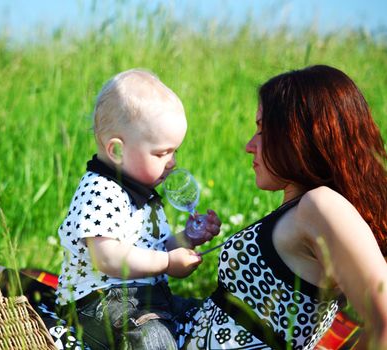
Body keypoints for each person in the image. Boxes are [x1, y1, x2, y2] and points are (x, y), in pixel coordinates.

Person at [179, 65, 387, 349]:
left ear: (299, 136)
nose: (249, 146)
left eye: (262, 131)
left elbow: (385, 323)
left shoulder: (321, 205)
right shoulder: (300, 207)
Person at [55, 68, 222, 349]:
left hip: (148, 299)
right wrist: (168, 263)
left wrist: (187, 239)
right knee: (153, 339)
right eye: (161, 153)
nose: (172, 162)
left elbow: (157, 245)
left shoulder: (145, 193)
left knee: (207, 316)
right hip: (97, 302)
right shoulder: (101, 190)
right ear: (117, 151)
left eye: (174, 151)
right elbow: (109, 258)